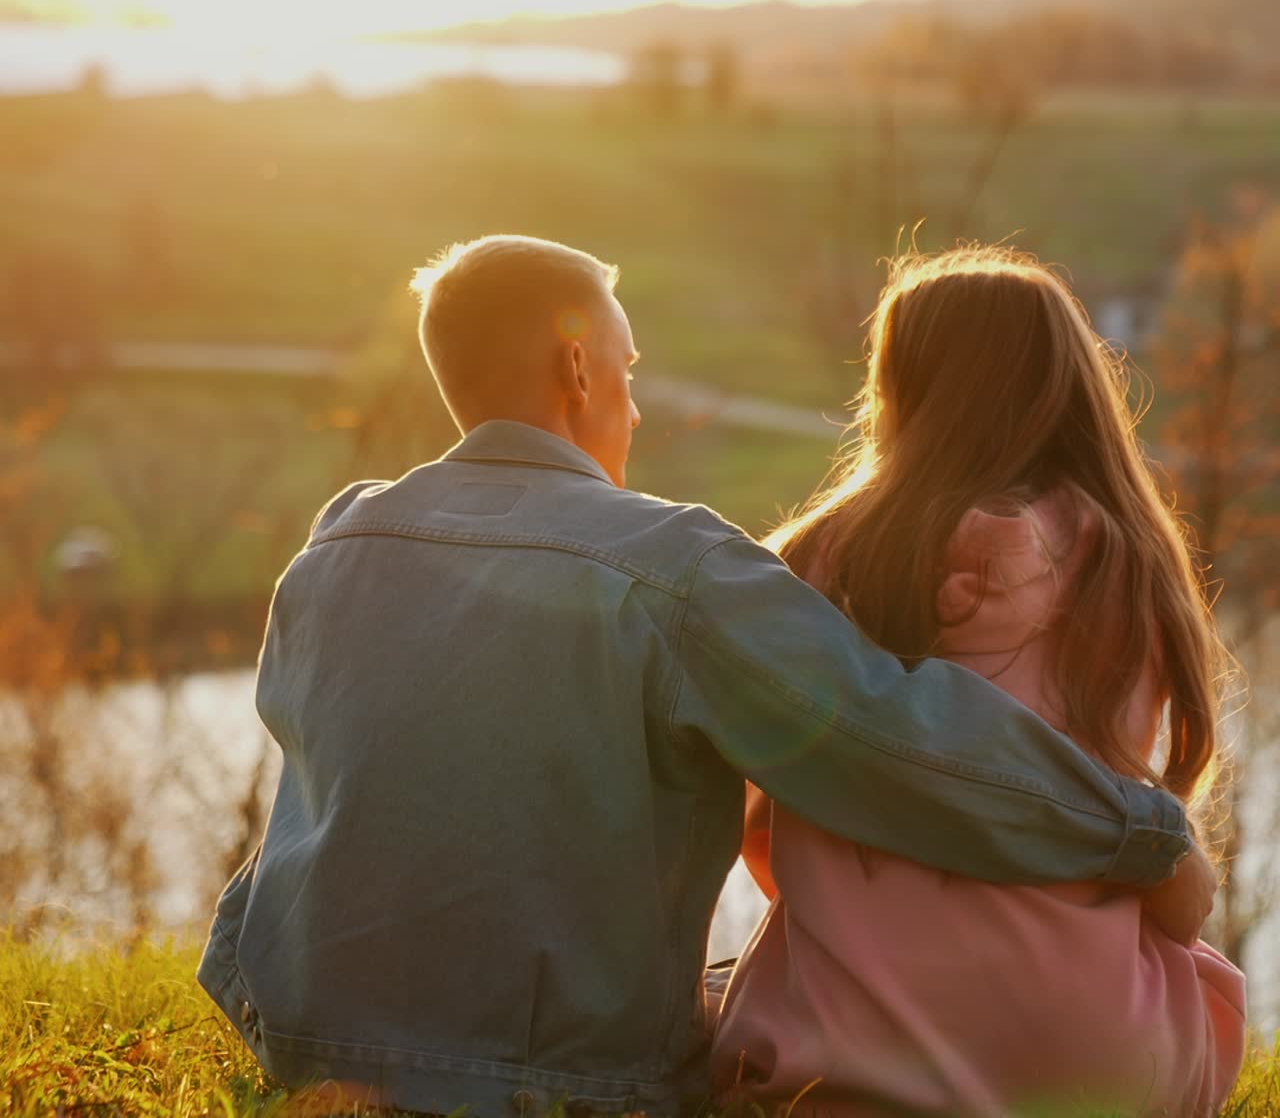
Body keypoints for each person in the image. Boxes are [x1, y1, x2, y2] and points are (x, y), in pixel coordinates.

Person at [197, 235, 1212, 1118]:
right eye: (628, 372)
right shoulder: (671, 564)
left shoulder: (338, 537)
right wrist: (1138, 829)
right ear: (579, 370)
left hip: (299, 1031)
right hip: (560, 1074)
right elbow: (893, 739)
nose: (635, 409)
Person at [711, 249, 1246, 1117]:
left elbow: (758, 824)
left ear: (899, 390)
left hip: (856, 1052)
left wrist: (864, 906)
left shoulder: (825, 558)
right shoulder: (1132, 560)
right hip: (1103, 1053)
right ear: (1070, 387)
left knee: (735, 992)